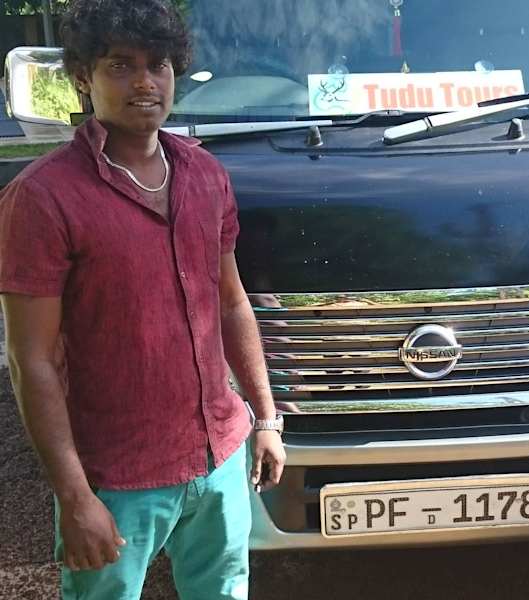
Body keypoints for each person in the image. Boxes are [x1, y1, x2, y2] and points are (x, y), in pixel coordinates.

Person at [0, 1, 286, 598]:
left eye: (158, 64)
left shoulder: (205, 175)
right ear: (83, 76)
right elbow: (33, 361)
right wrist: (74, 496)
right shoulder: (43, 198)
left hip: (219, 459)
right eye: (120, 65)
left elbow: (231, 304)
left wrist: (265, 418)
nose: (144, 83)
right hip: (116, 478)